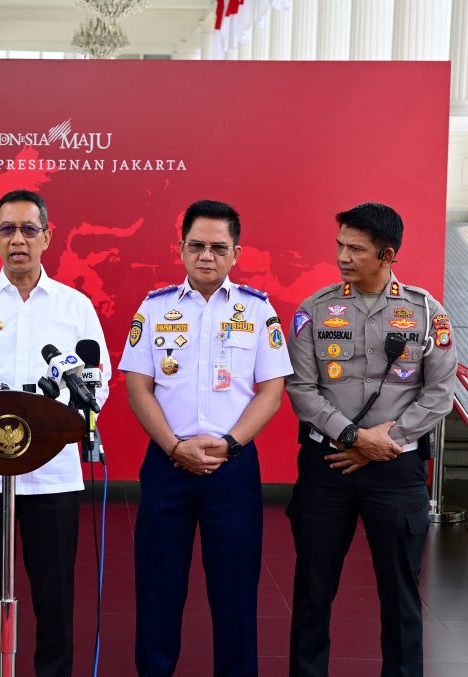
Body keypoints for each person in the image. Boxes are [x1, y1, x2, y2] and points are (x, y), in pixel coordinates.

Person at [0, 188, 110, 677]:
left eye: (30, 229)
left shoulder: (75, 307)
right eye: (7, 229)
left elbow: (99, 383)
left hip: (53, 476)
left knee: (55, 601)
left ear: (48, 236)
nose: (19, 240)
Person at [119, 199, 293, 677]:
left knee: (235, 592)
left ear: (236, 252)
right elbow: (138, 387)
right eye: (196, 245)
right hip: (167, 465)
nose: (207, 256)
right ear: (181, 249)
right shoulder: (154, 308)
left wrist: (231, 444)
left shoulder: (257, 310)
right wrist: (175, 446)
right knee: (158, 588)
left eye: (219, 247)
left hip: (232, 467)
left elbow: (272, 390)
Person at [285, 202, 456, 677]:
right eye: (340, 244)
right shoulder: (313, 310)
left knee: (401, 594)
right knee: (312, 591)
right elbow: (300, 387)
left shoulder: (427, 312)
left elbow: (440, 393)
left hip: (397, 470)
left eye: (355, 249)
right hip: (328, 467)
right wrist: (354, 437)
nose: (342, 255)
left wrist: (390, 439)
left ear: (387, 254)